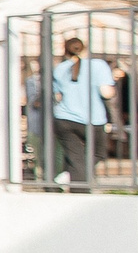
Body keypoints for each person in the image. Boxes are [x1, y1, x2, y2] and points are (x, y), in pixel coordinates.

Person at [48, 35, 115, 192]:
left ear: (66, 51)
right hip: (93, 119)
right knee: (98, 153)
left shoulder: (60, 68)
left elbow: (57, 96)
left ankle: (70, 180)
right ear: (85, 49)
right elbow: (106, 92)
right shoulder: (98, 65)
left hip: (64, 118)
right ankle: (76, 186)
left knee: (75, 157)